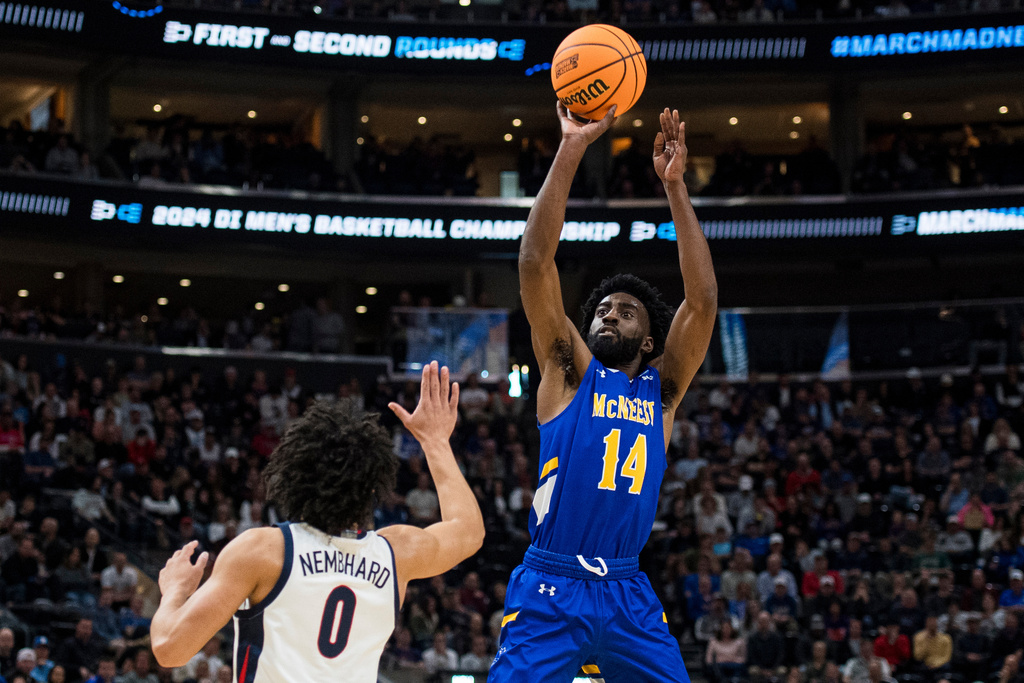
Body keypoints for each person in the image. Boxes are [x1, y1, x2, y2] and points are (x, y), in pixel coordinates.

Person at [489, 105, 716, 682]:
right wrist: (570, 146)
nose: (610, 314)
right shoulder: (566, 371)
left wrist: (675, 188)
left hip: (626, 587)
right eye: (603, 309)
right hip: (551, 584)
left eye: (628, 311)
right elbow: (535, 261)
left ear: (649, 341)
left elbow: (704, 301)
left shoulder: (661, 391)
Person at [150, 362, 483, 683]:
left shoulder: (263, 551)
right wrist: (436, 442)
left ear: (295, 477)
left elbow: (169, 650)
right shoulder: (397, 552)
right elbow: (468, 531)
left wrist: (175, 591)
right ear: (371, 487)